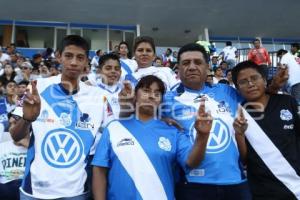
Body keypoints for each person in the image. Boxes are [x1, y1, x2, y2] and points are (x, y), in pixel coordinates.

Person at [10, 35, 113, 200]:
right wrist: (27, 119)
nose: (73, 62)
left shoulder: (100, 98)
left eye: (80, 57)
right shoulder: (37, 88)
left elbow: (111, 139)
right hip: (34, 191)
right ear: (58, 56)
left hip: (77, 192)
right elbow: (15, 135)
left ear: (87, 61)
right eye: (68, 56)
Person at [92, 75, 214, 199]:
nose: (151, 96)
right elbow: (99, 170)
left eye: (157, 93)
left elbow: (191, 162)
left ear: (161, 101)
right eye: (146, 91)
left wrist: (202, 136)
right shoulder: (113, 128)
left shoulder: (173, 131)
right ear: (135, 95)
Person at [231, 60, 300, 200]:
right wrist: (239, 134)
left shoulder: (287, 101)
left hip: (296, 184)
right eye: (243, 81)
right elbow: (244, 160)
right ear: (238, 88)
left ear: (264, 80)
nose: (250, 84)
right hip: (263, 190)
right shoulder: (238, 114)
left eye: (254, 78)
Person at [0, 107, 29, 200]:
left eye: (16, 123)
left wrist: (31, 147)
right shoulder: (2, 147)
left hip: (29, 189)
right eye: (10, 124)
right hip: (5, 189)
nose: (12, 128)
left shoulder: (37, 148)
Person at [86, 53, 122, 118]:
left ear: (121, 72)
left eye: (117, 69)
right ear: (99, 71)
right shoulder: (91, 88)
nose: (113, 71)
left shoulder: (124, 90)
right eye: (108, 68)